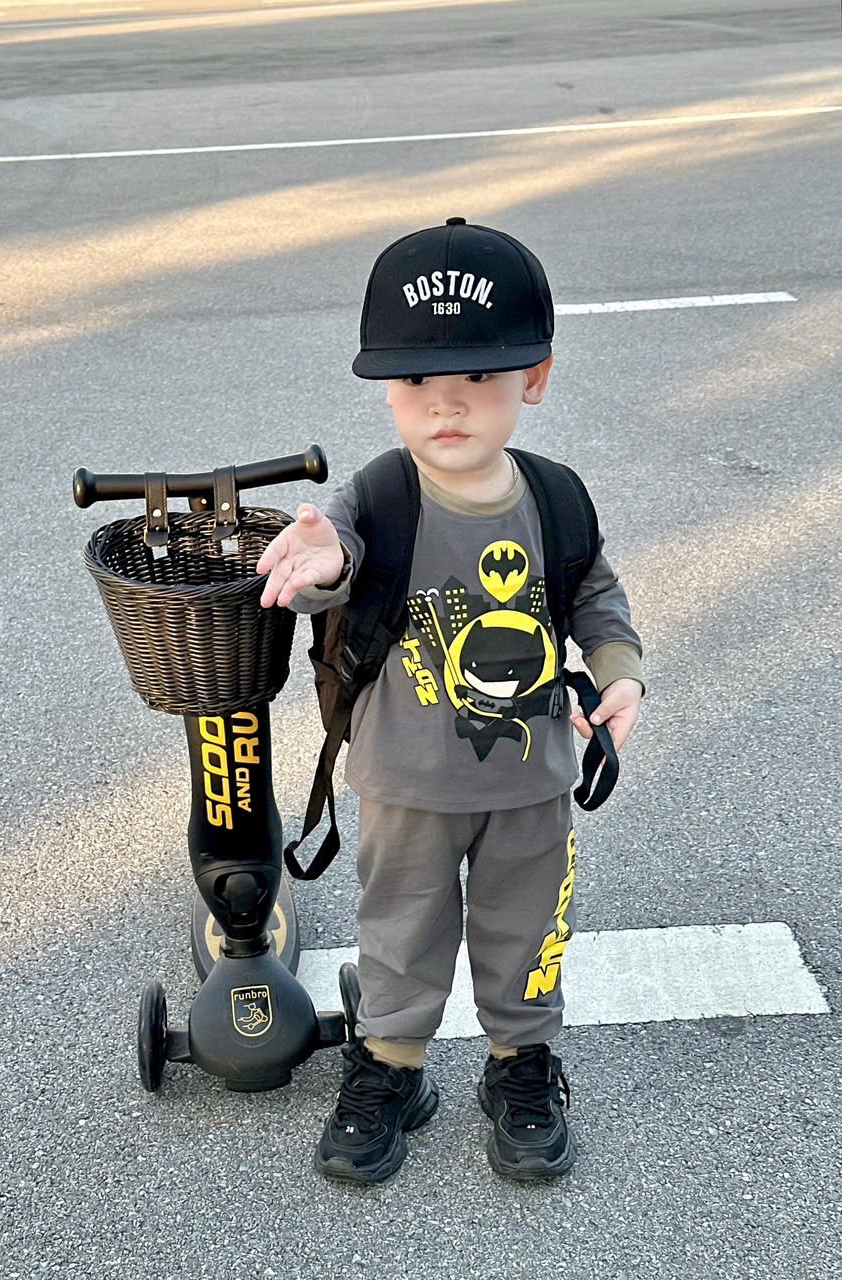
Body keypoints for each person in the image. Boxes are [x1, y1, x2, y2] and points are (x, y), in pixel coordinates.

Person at [257, 217, 644, 1184]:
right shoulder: (378, 498)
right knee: (401, 933)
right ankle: (390, 1068)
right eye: (417, 380)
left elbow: (593, 593)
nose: (446, 403)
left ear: (534, 379)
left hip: (531, 781)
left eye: (477, 375)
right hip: (405, 782)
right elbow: (333, 561)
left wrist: (619, 670)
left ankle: (522, 1066)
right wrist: (321, 562)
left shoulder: (555, 499)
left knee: (527, 934)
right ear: (388, 390)